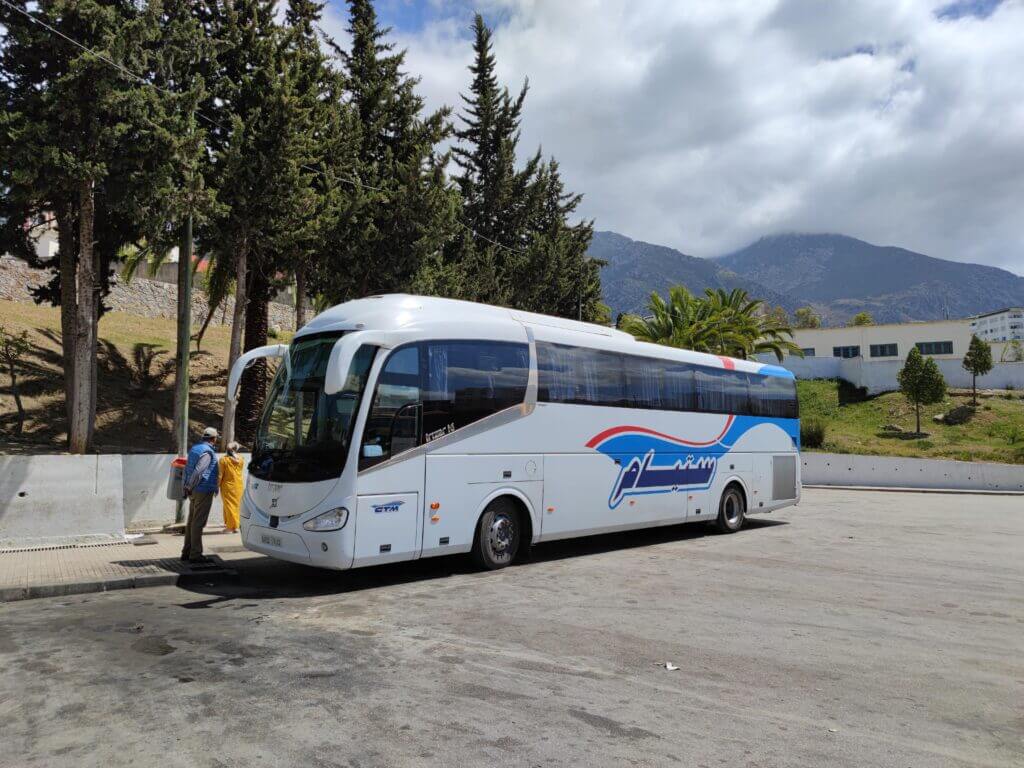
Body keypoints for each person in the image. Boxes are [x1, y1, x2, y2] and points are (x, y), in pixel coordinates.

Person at [181, 426, 220, 564]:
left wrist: (186, 487)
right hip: (202, 490)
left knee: (191, 522)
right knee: (198, 523)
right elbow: (199, 471)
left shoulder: (195, 449)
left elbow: (187, 469)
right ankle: (195, 554)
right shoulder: (208, 452)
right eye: (216, 438)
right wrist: (189, 486)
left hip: (193, 490)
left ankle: (186, 552)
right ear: (213, 439)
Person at [218, 441, 244, 534]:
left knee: (229, 506)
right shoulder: (241, 459)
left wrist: (216, 486)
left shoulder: (223, 460)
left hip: (227, 486)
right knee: (236, 506)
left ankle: (230, 527)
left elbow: (220, 475)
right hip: (239, 485)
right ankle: (236, 525)